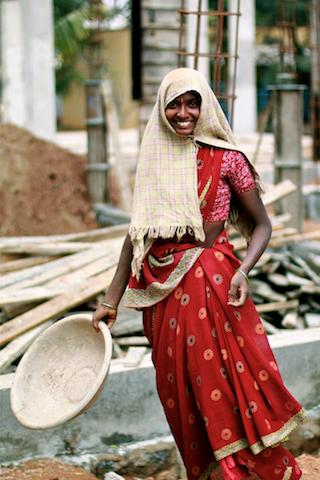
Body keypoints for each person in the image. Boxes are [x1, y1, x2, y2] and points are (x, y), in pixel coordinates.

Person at [92, 68, 306, 480]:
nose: (183, 113)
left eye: (192, 103)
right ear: (162, 108)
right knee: (182, 392)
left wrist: (243, 270)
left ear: (205, 106)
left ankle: (245, 473)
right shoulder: (154, 160)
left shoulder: (227, 158)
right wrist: (110, 300)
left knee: (225, 385)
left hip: (213, 286)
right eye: (174, 103)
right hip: (163, 296)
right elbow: (137, 234)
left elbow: (262, 224)